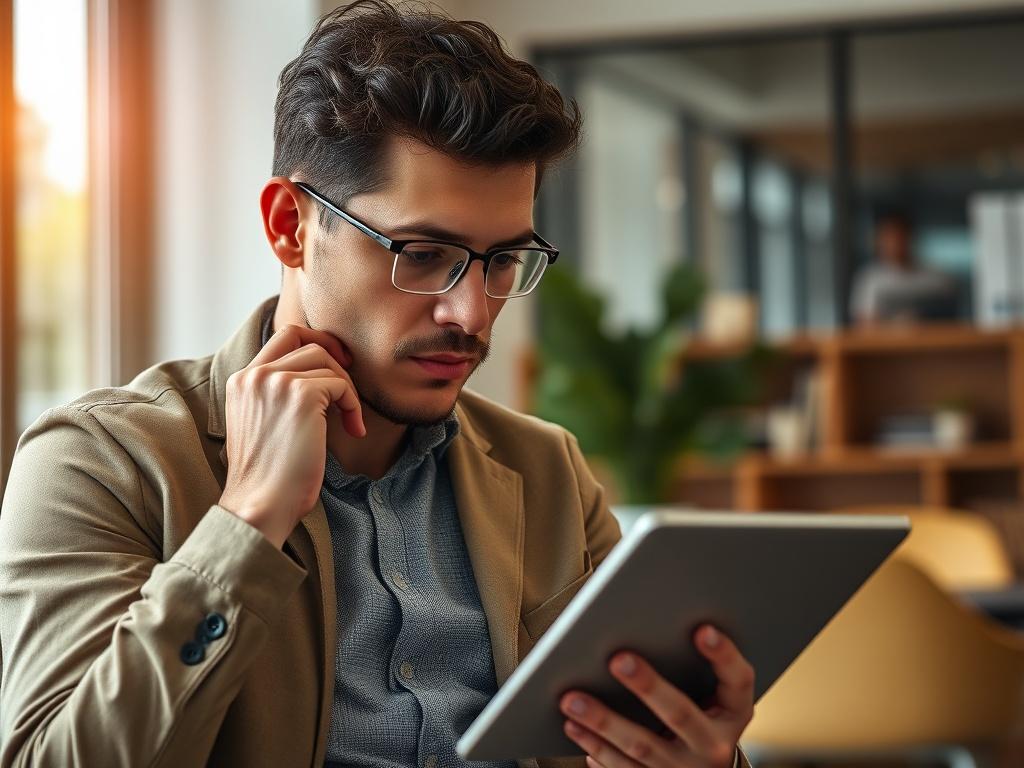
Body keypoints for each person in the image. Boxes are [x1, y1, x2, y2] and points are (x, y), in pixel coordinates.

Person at [0, 3, 755, 766]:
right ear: (290, 225)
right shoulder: (101, 464)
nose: (471, 312)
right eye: (424, 253)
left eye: (501, 263)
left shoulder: (548, 473)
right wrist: (246, 523)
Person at [850, 212, 957, 326]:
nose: (895, 243)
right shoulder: (869, 279)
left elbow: (950, 314)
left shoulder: (937, 278)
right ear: (879, 241)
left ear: (910, 237)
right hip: (886, 343)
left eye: (900, 236)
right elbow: (863, 323)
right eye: (888, 237)